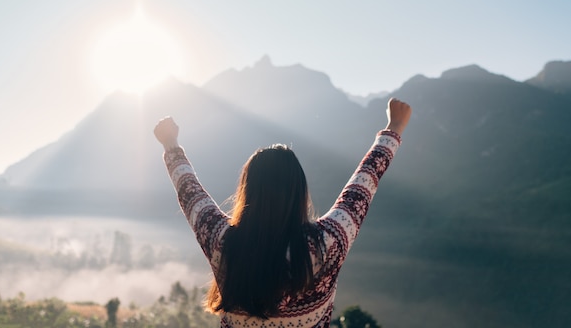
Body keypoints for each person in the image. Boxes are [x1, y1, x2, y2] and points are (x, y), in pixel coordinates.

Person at [154, 98, 411, 327]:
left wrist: (170, 144)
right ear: (299, 192)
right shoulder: (328, 242)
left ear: (248, 191)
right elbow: (363, 185)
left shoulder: (222, 241)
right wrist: (393, 129)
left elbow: (189, 192)